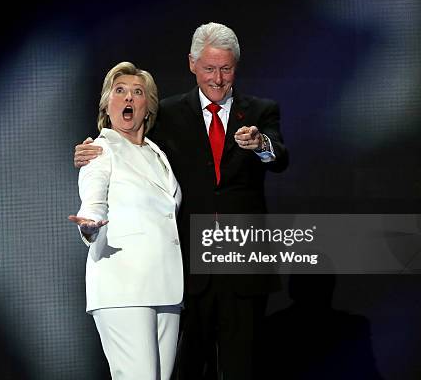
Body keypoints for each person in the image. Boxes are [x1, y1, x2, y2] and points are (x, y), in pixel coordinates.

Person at [74, 23, 288, 379]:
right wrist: (86, 157)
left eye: (226, 69)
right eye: (209, 68)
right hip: (185, 270)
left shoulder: (261, 112)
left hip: (239, 264)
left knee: (241, 366)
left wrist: (261, 145)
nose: (218, 79)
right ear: (192, 64)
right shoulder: (168, 115)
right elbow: (117, 145)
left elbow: (280, 156)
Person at [68, 61, 183, 380]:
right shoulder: (99, 149)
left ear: (148, 107)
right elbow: (93, 198)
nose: (128, 98)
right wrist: (89, 224)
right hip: (123, 285)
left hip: (166, 286)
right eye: (119, 91)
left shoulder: (157, 154)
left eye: (137, 92)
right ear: (107, 103)